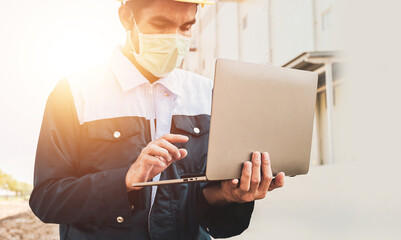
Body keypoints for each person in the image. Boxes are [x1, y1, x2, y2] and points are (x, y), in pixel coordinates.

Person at [29, 0, 285, 239]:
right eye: (161, 25)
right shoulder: (75, 93)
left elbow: (207, 205)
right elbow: (46, 198)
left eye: (185, 27)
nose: (174, 39)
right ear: (127, 18)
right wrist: (125, 181)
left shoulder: (208, 94)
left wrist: (231, 196)